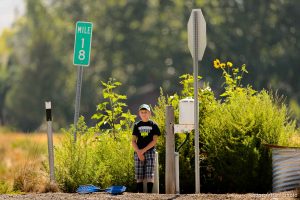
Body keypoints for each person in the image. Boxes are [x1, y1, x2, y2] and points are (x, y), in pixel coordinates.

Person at [131, 104, 161, 193]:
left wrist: (143, 151)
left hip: (150, 152)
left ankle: (149, 194)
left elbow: (154, 141)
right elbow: (133, 141)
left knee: (150, 173)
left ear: (149, 113)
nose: (144, 114)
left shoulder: (154, 125)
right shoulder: (137, 125)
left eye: (146, 112)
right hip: (138, 152)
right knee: (139, 174)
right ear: (139, 114)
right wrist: (139, 152)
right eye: (142, 112)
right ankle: (140, 194)